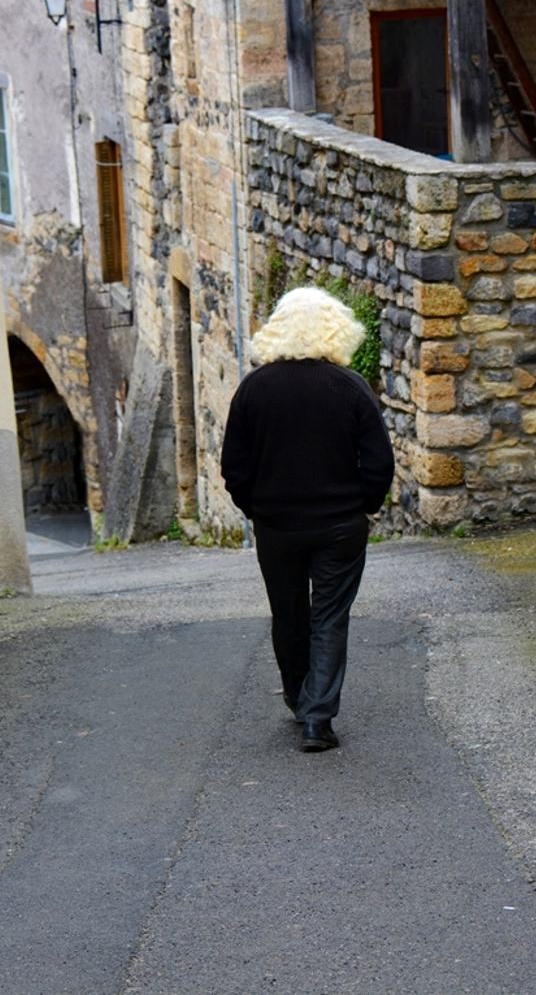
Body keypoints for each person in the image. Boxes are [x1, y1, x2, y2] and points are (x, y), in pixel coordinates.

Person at [220, 286, 395, 752]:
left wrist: (256, 508)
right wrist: (364, 504)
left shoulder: (253, 389)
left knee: (289, 614)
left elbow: (234, 466)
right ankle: (319, 718)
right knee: (330, 617)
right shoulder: (350, 387)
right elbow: (379, 460)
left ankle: (300, 699)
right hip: (340, 526)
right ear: (335, 330)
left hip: (277, 527)